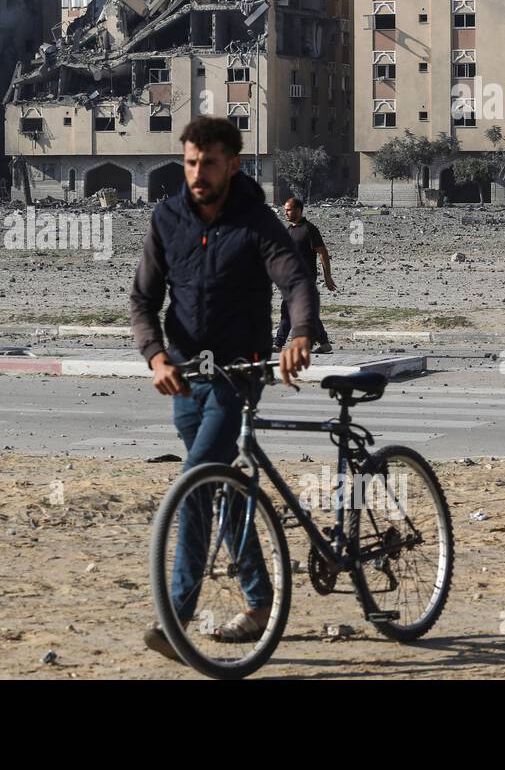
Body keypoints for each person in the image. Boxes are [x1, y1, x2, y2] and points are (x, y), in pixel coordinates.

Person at [130, 117, 318, 662]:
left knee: (193, 484)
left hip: (240, 374)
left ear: (231, 165)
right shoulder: (166, 219)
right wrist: (156, 355)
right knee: (224, 489)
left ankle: (177, 617)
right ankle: (261, 603)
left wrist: (300, 333)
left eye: (208, 163)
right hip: (186, 379)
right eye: (190, 162)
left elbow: (295, 280)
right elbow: (143, 301)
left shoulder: (257, 222)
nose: (196, 173)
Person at [274, 196, 336, 354]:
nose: (285, 213)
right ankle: (324, 342)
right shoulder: (289, 230)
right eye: (285, 210)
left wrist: (327, 277)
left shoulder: (309, 229)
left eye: (288, 209)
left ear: (298, 210)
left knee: (288, 310)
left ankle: (278, 343)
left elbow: (322, 252)